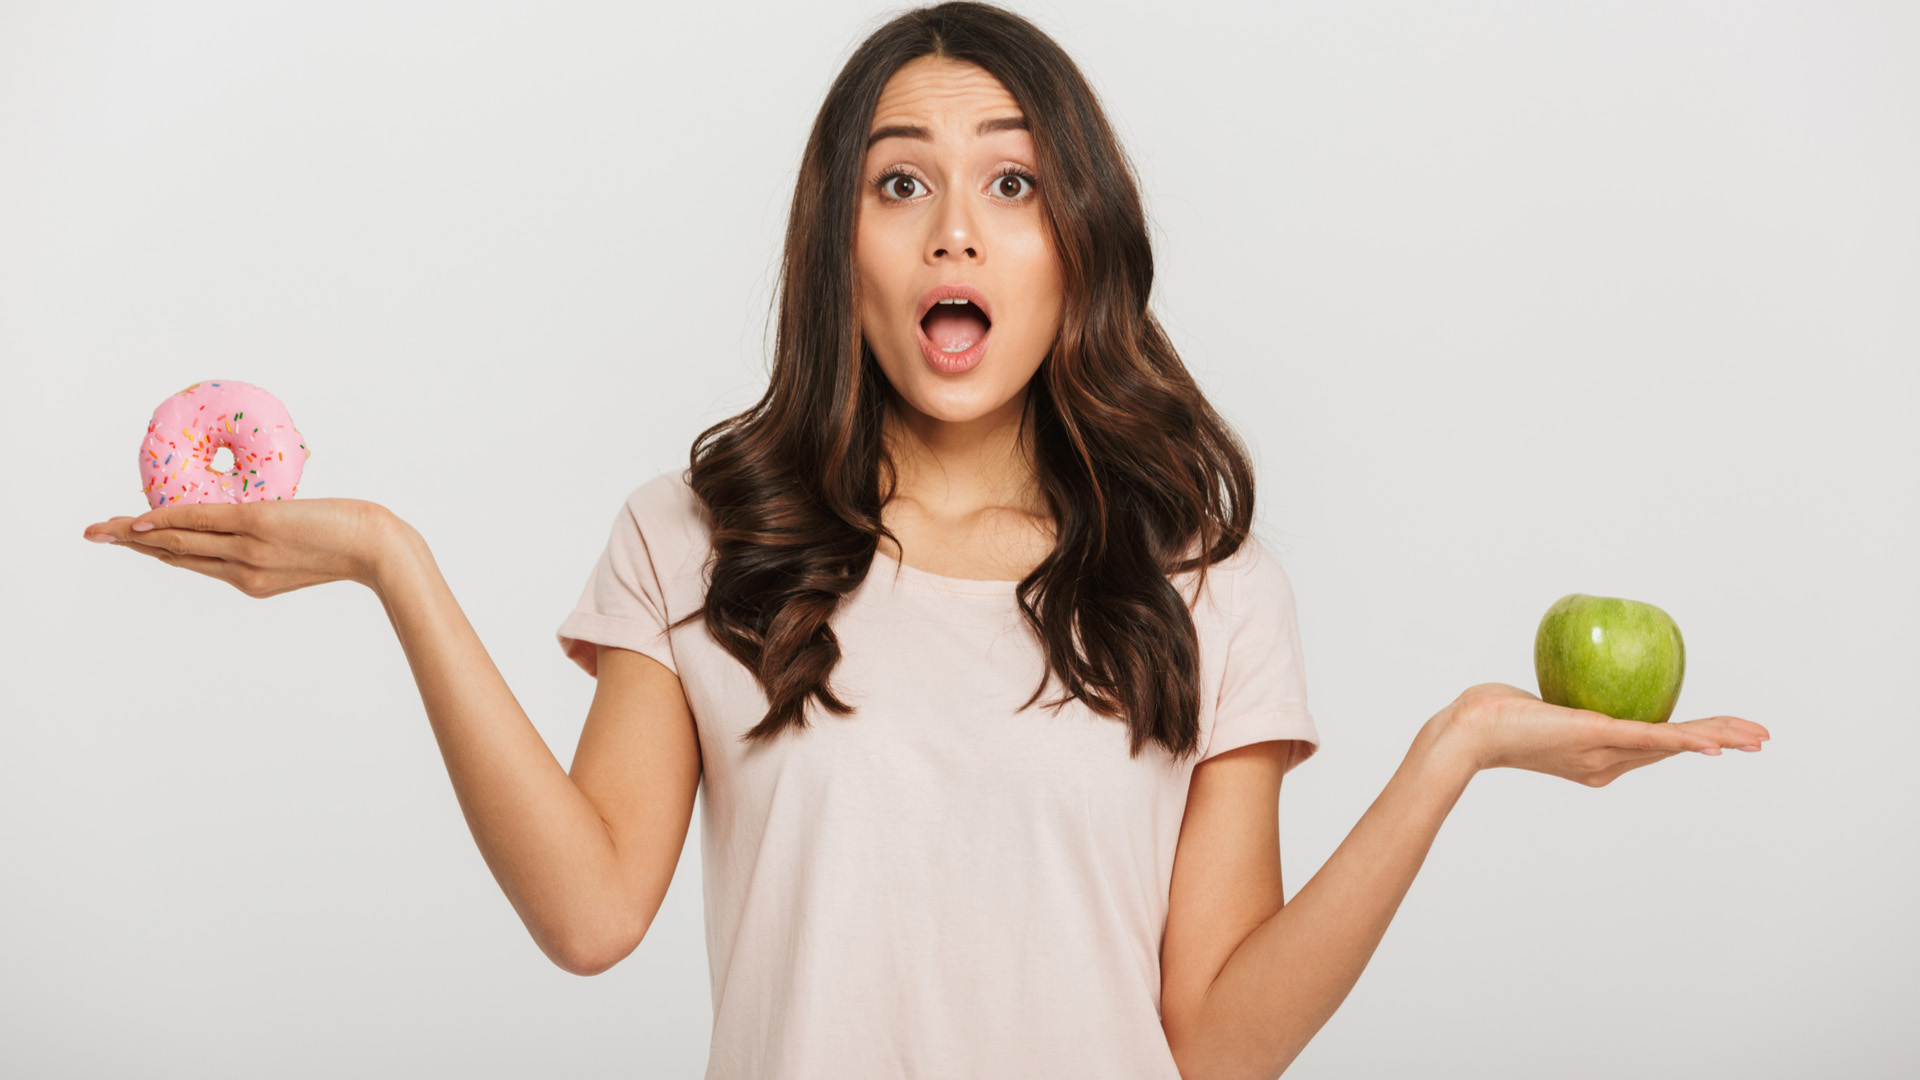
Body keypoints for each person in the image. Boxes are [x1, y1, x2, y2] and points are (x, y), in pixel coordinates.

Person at [81, 3, 1768, 1077]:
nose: (957, 222)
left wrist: (1452, 751)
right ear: (847, 244)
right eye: (902, 184)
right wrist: (394, 561)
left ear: (1077, 246)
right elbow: (593, 915)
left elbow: (1219, 1039)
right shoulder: (698, 538)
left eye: (1015, 184)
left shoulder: (1206, 587)